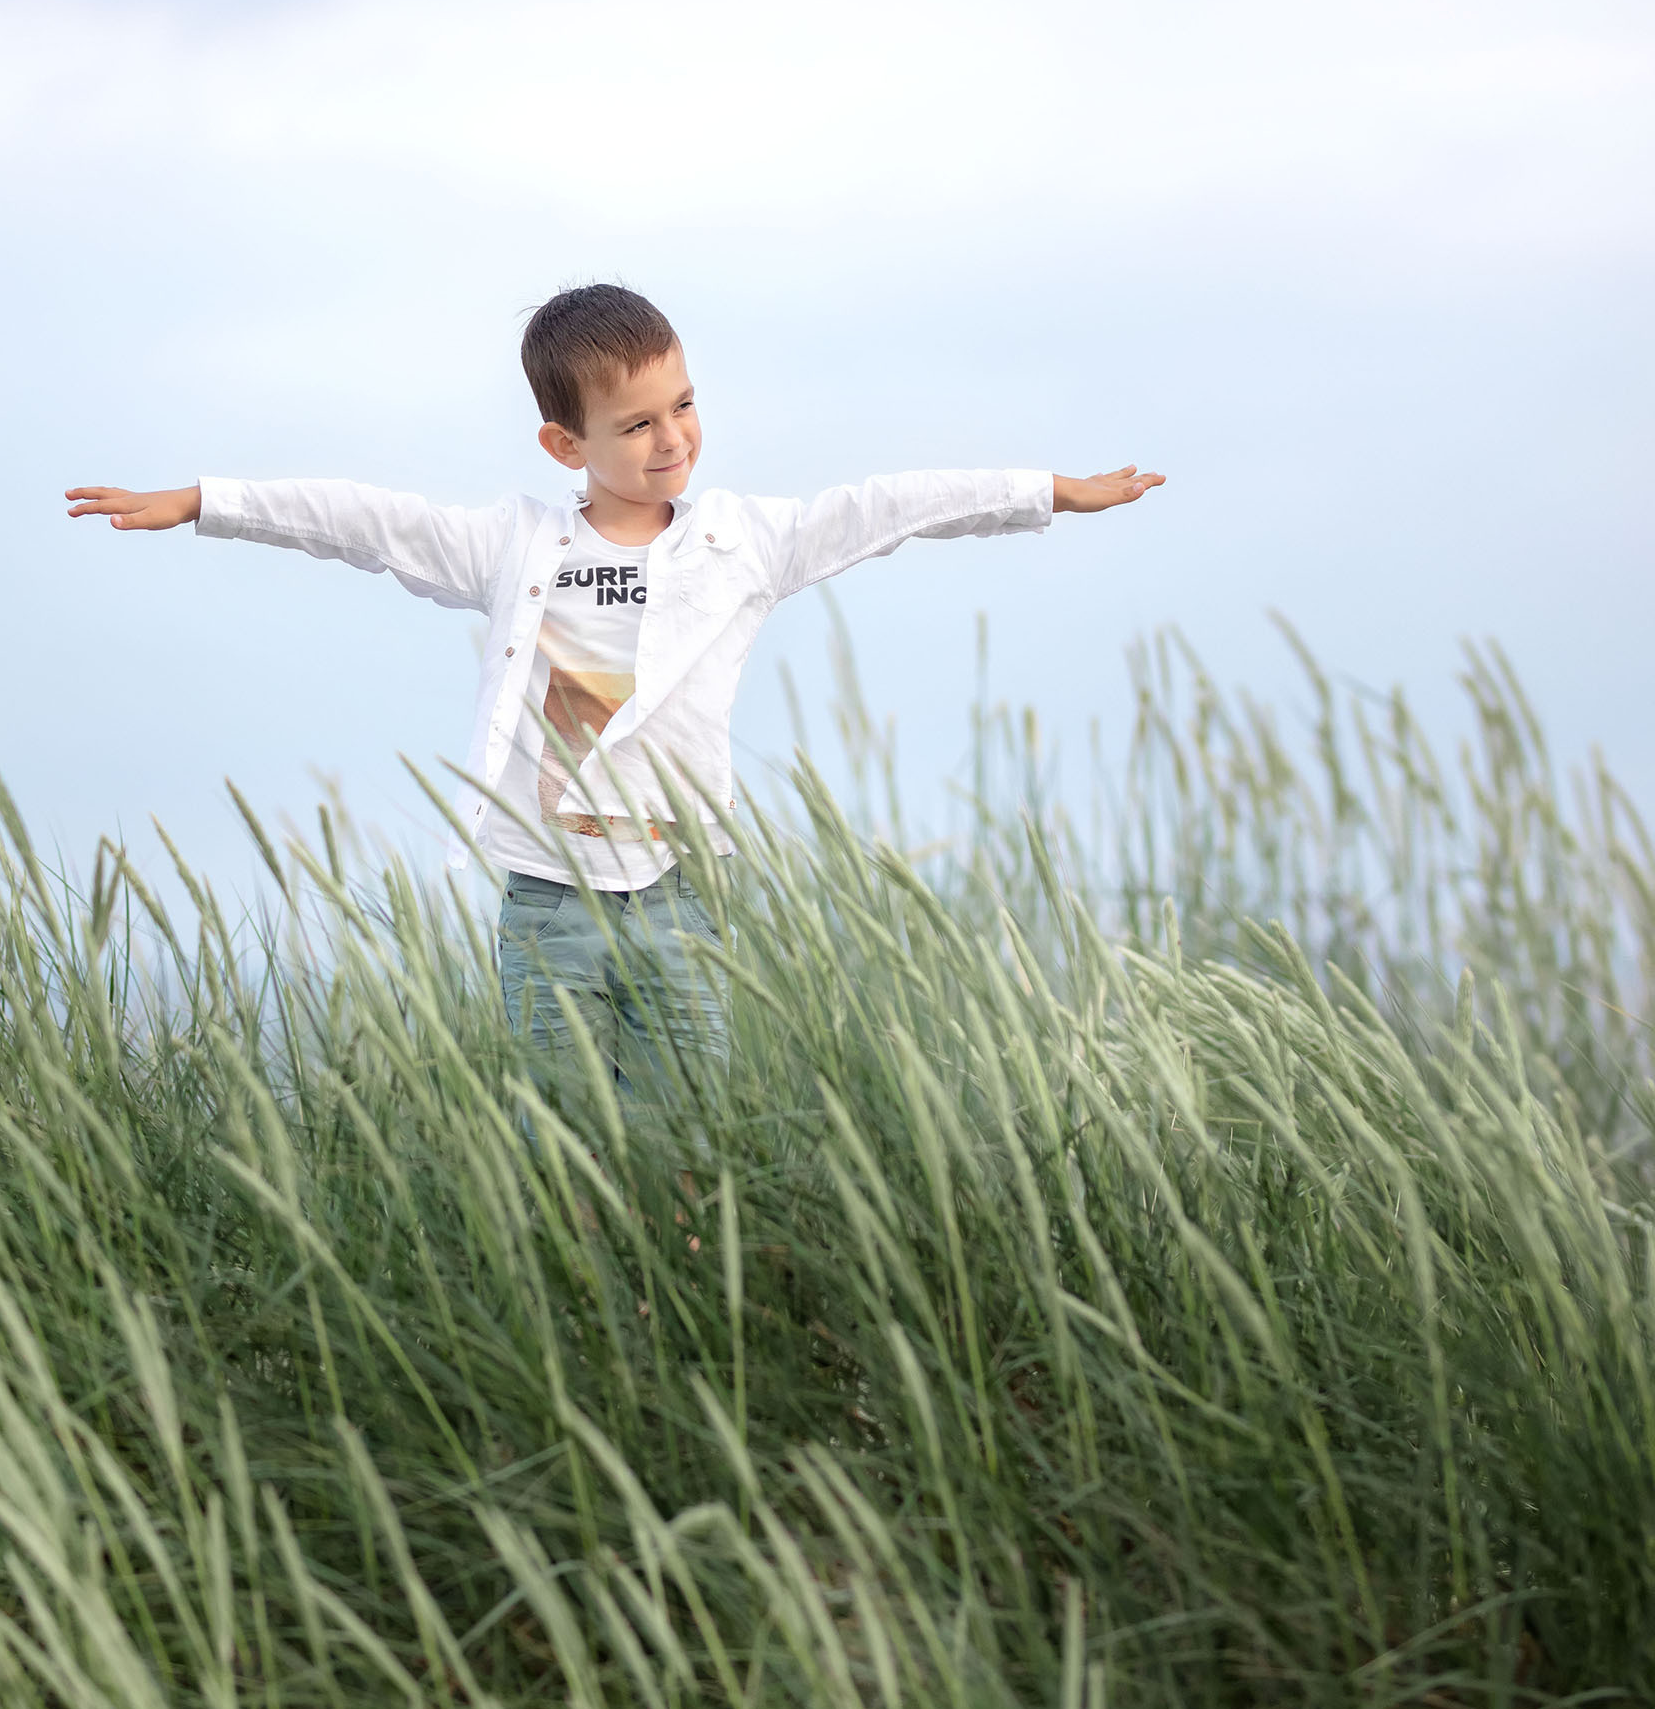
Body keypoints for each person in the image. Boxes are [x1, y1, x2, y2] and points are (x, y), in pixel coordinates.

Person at [66, 282, 1163, 1098]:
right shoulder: (511, 547)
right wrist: (204, 500)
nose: (670, 437)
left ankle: (672, 1315)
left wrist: (1050, 493)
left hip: (681, 897)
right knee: (564, 1144)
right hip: (547, 903)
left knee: (686, 1136)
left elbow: (894, 505)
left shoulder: (748, 542)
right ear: (564, 442)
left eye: (681, 405)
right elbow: (358, 519)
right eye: (635, 424)